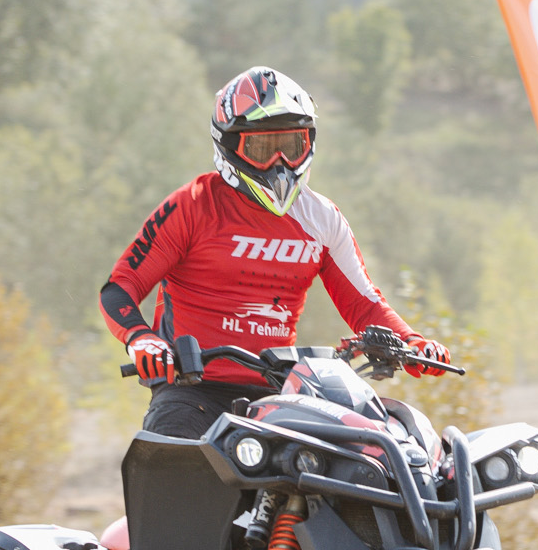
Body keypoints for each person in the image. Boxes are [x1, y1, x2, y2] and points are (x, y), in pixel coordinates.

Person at [100, 66, 449, 437]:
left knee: (367, 455)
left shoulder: (323, 219)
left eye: (291, 146)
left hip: (283, 394)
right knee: (171, 456)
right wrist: (141, 338)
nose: (280, 163)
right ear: (230, 145)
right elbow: (120, 288)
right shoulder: (193, 205)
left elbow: (364, 304)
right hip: (192, 390)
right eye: (263, 148)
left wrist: (412, 341)